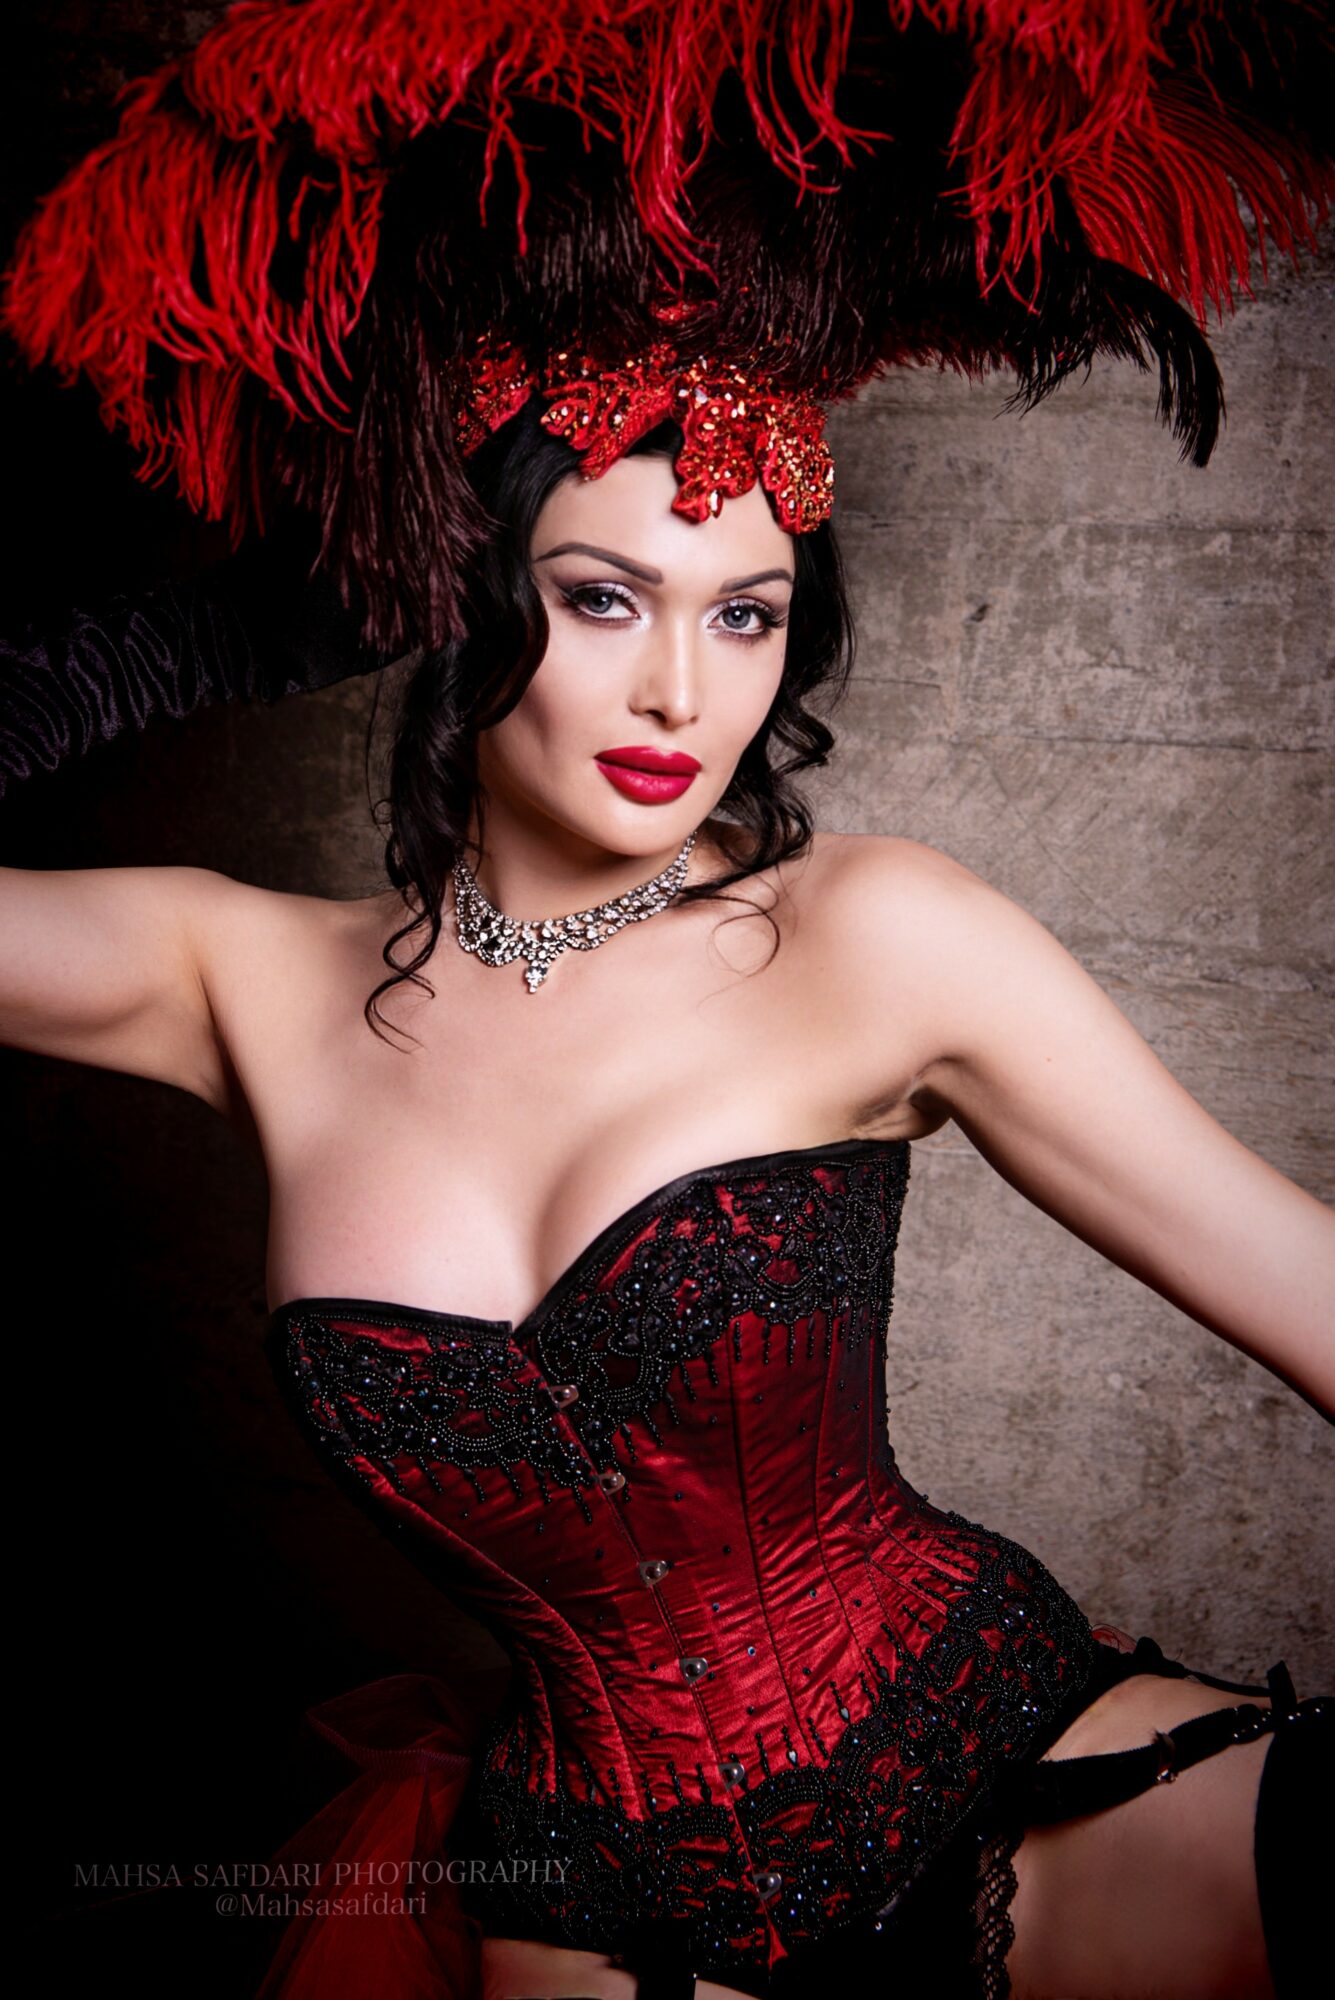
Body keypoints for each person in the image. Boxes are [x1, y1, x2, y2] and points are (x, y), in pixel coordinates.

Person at [2, 9, 1331, 1999]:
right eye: (604, 596)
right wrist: (166, 635)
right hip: (582, 1920)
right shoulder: (234, 975)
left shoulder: (872, 936)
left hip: (1039, 1809)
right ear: (465, 592)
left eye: (745, 613)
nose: (677, 698)